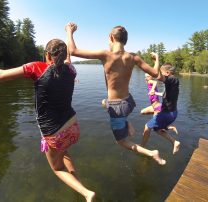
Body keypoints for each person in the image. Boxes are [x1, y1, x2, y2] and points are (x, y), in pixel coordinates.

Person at [0, 39, 95, 202]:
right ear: (63, 56)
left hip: (54, 133)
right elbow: (68, 57)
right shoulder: (71, 70)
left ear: (47, 54)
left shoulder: (37, 67)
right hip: (73, 127)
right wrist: (70, 32)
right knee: (64, 152)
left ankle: (86, 193)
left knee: (57, 169)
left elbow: (0, 76)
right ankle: (78, 185)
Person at [65, 22, 166, 165]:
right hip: (129, 102)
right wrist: (157, 60)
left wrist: (69, 31)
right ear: (125, 41)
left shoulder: (105, 54)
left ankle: (152, 153)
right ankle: (125, 122)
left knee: (121, 141)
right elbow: (156, 73)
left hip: (117, 107)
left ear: (111, 37)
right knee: (104, 102)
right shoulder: (133, 57)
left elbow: (73, 51)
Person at [141, 63, 180, 155]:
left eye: (162, 73)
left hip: (167, 113)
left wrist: (157, 59)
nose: (160, 75)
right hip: (170, 113)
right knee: (157, 129)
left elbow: (156, 76)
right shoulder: (171, 84)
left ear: (167, 73)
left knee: (147, 127)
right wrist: (155, 93)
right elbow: (164, 94)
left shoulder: (172, 79)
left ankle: (141, 147)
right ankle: (174, 142)